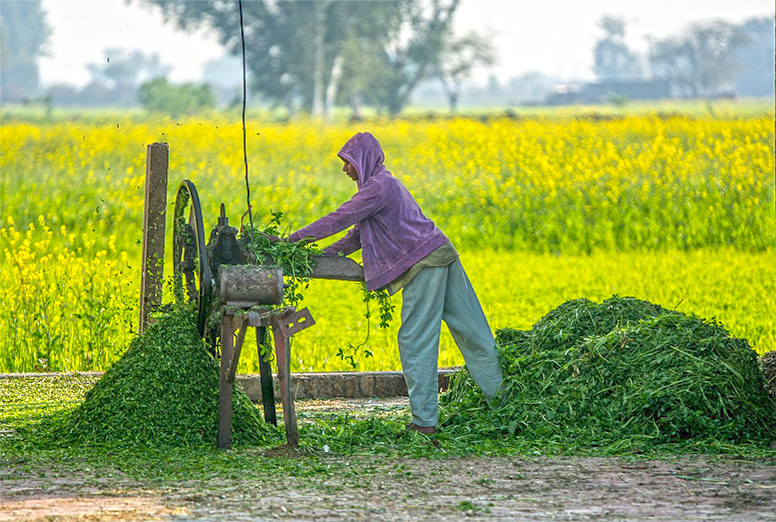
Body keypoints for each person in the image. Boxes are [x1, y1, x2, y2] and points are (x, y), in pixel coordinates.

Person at [287, 132, 502, 434]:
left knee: (416, 339)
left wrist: (290, 242)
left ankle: (425, 423)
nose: (345, 169)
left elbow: (337, 219)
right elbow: (354, 238)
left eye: (347, 162)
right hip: (441, 252)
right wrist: (313, 257)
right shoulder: (383, 186)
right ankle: (504, 405)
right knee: (474, 333)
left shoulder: (378, 187)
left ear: (362, 160)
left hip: (425, 262)